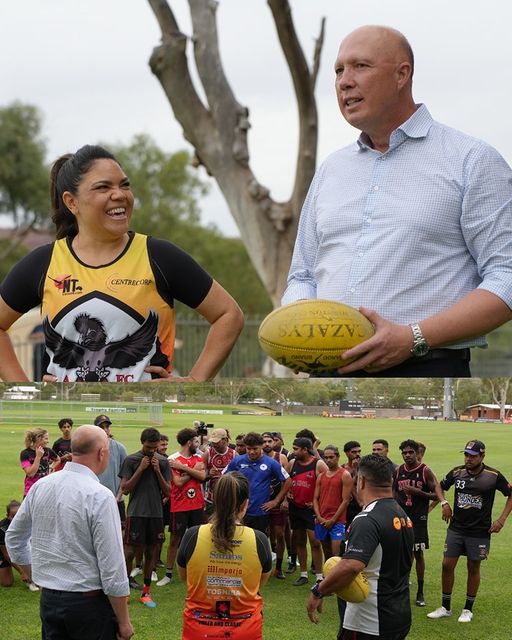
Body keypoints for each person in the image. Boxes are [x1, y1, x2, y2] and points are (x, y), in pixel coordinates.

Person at [282, 25, 512, 377]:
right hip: (326, 372)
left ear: (402, 74)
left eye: (360, 66)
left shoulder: (472, 160)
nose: (344, 81)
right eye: (339, 70)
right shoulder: (331, 169)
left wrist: (413, 337)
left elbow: (506, 277)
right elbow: (302, 275)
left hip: (426, 368)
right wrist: (302, 325)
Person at [0, 144, 244, 382]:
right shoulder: (44, 263)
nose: (119, 194)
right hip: (68, 418)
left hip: (145, 420)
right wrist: (23, 390)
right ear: (71, 202)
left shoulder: (159, 256)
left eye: (124, 185)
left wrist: (194, 382)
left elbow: (228, 315)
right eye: (103, 187)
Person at [5, 425, 133, 640]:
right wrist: (124, 621)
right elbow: (112, 565)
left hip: (50, 601)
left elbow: (15, 538)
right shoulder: (100, 495)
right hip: (88, 606)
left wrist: (37, 573)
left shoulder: (41, 486)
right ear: (102, 453)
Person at [306, 454, 414, 640]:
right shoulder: (403, 515)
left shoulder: (367, 519)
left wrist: (318, 591)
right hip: (399, 614)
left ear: (361, 481)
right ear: (391, 480)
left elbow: (351, 566)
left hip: (369, 621)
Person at [177, 472, 272, 639]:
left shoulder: (192, 535)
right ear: (245, 504)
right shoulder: (259, 540)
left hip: (199, 630)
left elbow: (184, 576)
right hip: (245, 630)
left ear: (215, 501)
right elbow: (258, 583)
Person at [427, 440, 512, 623]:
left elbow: (510, 494)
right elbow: (439, 486)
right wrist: (444, 503)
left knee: (473, 568)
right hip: (456, 529)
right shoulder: (457, 472)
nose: (468, 459)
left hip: (480, 532)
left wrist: (502, 520)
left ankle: (467, 609)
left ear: (482, 456)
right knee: (446, 565)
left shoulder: (493, 475)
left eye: (473, 456)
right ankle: (445, 607)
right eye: (466, 454)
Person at [120, 427, 171, 607]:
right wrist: (140, 469)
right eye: (149, 447)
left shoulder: (163, 462)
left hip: (156, 514)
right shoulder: (131, 460)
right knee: (129, 552)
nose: (151, 451)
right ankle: (123, 590)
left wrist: (157, 471)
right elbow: (125, 489)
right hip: (136, 513)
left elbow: (168, 491)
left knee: (151, 552)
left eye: (154, 447)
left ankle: (146, 593)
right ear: (143, 443)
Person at [393, 439, 440, 607]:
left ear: (417, 453)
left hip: (418, 520)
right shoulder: (398, 471)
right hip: (401, 518)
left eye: (410, 452)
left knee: (418, 554)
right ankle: (402, 585)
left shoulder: (425, 471)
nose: (407, 455)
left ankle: (420, 591)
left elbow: (437, 495)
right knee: (400, 552)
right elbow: (393, 492)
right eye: (404, 453)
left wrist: (418, 492)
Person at [158, 428, 206, 587]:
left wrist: (183, 468)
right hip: (179, 505)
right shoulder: (172, 459)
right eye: (195, 441)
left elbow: (202, 476)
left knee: (199, 540)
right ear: (189, 442)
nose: (197, 444)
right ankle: (169, 574)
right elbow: (177, 483)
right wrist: (193, 471)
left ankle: (196, 572)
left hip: (197, 505)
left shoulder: (198, 457)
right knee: (175, 540)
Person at [225, 432, 291, 534]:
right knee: (239, 542)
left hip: (260, 512)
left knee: (258, 542)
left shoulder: (271, 463)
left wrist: (276, 501)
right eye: (248, 449)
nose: (251, 452)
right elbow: (224, 478)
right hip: (239, 512)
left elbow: (288, 480)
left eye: (255, 449)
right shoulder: (237, 461)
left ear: (261, 447)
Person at [287, 437, 328, 586]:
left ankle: (319, 576)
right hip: (295, 508)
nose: (293, 451)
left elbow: (328, 484)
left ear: (305, 449)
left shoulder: (318, 464)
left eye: (296, 449)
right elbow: (286, 482)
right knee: (299, 541)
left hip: (310, 510)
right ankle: (303, 574)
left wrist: (317, 503)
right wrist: (287, 494)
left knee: (315, 542)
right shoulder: (292, 463)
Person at [313, 445, 352, 560]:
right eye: (326, 457)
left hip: (337, 521)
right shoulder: (321, 476)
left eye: (331, 457)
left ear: (338, 457)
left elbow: (345, 501)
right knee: (326, 552)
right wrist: (319, 517)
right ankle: (326, 576)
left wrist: (333, 520)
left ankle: (336, 577)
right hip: (322, 520)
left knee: (336, 555)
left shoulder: (345, 475)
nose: (328, 460)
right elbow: (315, 498)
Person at [95, 415, 128, 525]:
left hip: (116, 500)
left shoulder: (120, 448)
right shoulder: (90, 449)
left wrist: (118, 497)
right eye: (101, 427)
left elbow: (125, 475)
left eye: (107, 426)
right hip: (95, 499)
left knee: (120, 532)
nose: (105, 430)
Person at [0, 500, 39, 592]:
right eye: (13, 516)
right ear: (7, 516)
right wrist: (22, 572)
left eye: (18, 516)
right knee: (7, 583)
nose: (16, 519)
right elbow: (7, 554)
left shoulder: (29, 522)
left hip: (20, 547)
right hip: (4, 553)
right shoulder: (2, 529)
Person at [203, 428, 236, 514]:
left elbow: (239, 476)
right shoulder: (207, 454)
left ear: (225, 440)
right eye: (213, 442)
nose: (214, 444)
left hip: (229, 497)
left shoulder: (234, 454)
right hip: (211, 498)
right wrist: (209, 474)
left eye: (217, 442)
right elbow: (201, 476)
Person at [20, 428, 59, 496]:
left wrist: (51, 468)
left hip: (45, 489)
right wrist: (38, 457)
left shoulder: (48, 451)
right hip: (30, 490)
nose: (48, 441)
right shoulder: (25, 453)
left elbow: (58, 459)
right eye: (46, 438)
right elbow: (30, 474)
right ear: (38, 439)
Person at [342, 440, 363, 528]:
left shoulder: (365, 467)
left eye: (359, 451)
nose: (357, 454)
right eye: (354, 452)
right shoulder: (342, 469)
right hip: (348, 506)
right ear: (347, 453)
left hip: (362, 504)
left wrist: (356, 470)